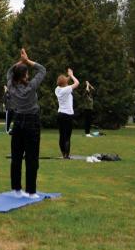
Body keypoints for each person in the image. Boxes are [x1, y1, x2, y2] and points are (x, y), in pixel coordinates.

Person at [6, 48, 46, 199]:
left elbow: (9, 72)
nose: (29, 75)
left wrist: (20, 62)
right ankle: (31, 191)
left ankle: (16, 189)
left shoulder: (11, 86)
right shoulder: (30, 88)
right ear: (24, 76)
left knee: (16, 157)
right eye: (27, 73)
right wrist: (27, 60)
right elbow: (42, 70)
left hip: (18, 123)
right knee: (32, 158)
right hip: (31, 122)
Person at [55, 68, 80, 159]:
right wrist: (72, 75)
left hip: (60, 114)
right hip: (68, 115)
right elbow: (77, 83)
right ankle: (67, 155)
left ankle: (63, 154)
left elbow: (63, 82)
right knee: (67, 136)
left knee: (62, 135)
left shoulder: (57, 89)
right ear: (65, 83)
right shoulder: (66, 89)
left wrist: (69, 76)